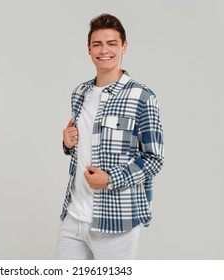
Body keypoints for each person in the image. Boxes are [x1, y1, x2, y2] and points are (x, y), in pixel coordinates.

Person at [56, 13, 164, 260]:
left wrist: (109, 179)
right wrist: (67, 143)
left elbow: (154, 158)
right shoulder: (80, 93)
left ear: (124, 46)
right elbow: (89, 147)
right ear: (89, 49)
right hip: (73, 216)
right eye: (97, 44)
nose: (104, 50)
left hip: (116, 221)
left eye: (112, 43)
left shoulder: (142, 96)